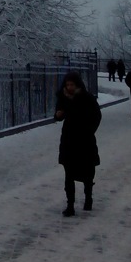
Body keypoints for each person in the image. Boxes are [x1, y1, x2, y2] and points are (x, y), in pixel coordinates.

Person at [54, 71, 102, 215]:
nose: (69, 87)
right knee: (69, 173)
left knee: (87, 172)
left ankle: (88, 197)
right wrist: (58, 115)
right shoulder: (63, 98)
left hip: (85, 140)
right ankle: (70, 205)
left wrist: (89, 130)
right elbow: (58, 115)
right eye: (67, 84)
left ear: (77, 84)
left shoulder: (87, 98)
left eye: (72, 85)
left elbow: (97, 115)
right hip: (69, 140)